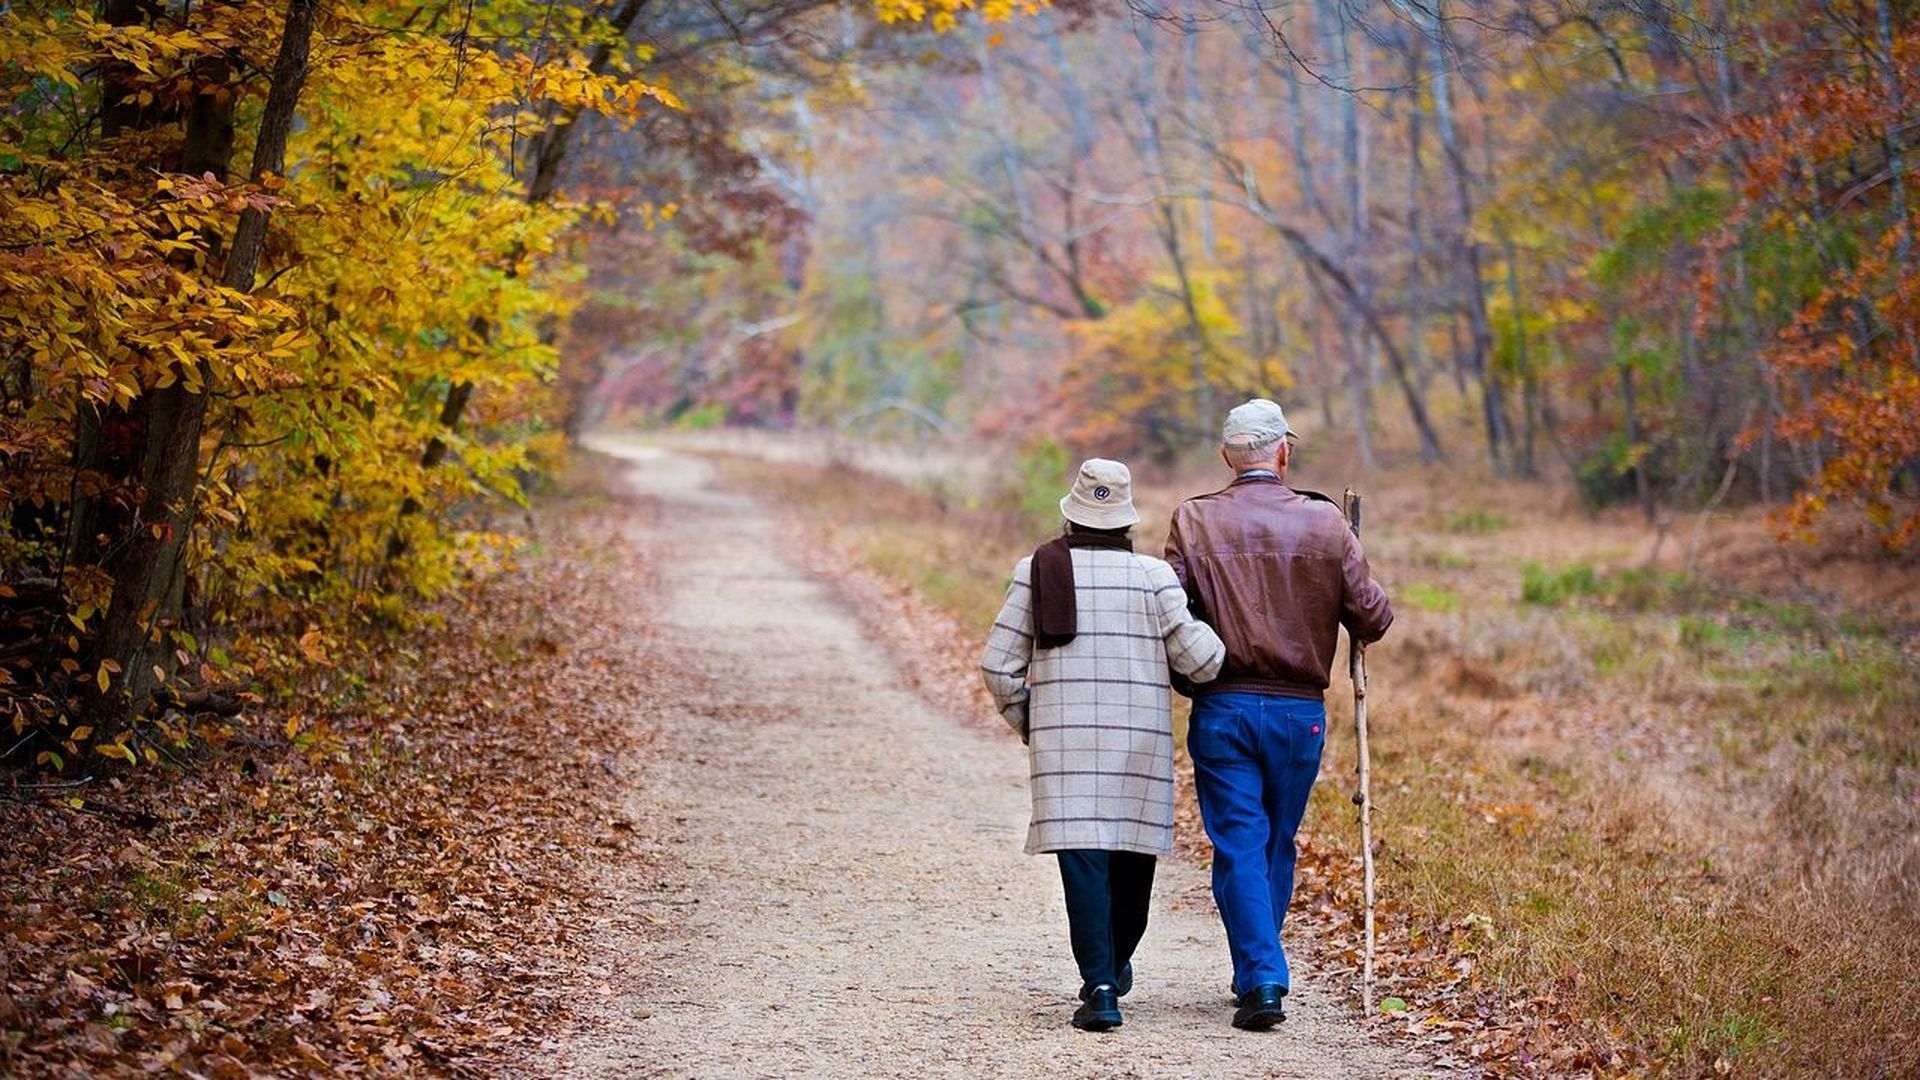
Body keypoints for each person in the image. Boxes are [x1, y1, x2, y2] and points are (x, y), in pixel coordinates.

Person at [1164, 399, 1393, 1031]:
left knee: (1240, 841)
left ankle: (1259, 974)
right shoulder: (1324, 523)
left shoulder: (1194, 519)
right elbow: (1374, 617)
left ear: (1226, 457)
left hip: (1223, 704)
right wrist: (1347, 555)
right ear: (1283, 453)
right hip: (1299, 714)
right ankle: (1261, 973)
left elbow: (1168, 610)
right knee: (1273, 841)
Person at [980, 457, 1225, 1032]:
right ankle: (1112, 967)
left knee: (1083, 861)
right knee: (1131, 861)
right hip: (1138, 743)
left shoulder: (1035, 571)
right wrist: (1210, 624)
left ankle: (1101, 985)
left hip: (1064, 747)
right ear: (1127, 523)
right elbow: (1204, 662)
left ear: (1071, 515)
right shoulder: (1154, 578)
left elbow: (998, 666)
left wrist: (1031, 722)